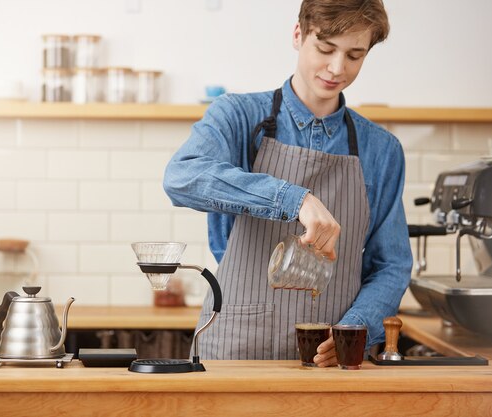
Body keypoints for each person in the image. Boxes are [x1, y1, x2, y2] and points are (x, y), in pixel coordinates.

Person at [163, 0, 412, 367]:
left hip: (333, 359)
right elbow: (181, 177)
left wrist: (353, 328)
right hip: (236, 351)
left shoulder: (382, 150)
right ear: (298, 35)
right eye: (325, 49)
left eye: (354, 55)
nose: (336, 68)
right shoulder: (238, 116)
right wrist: (294, 199)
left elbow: (391, 265)